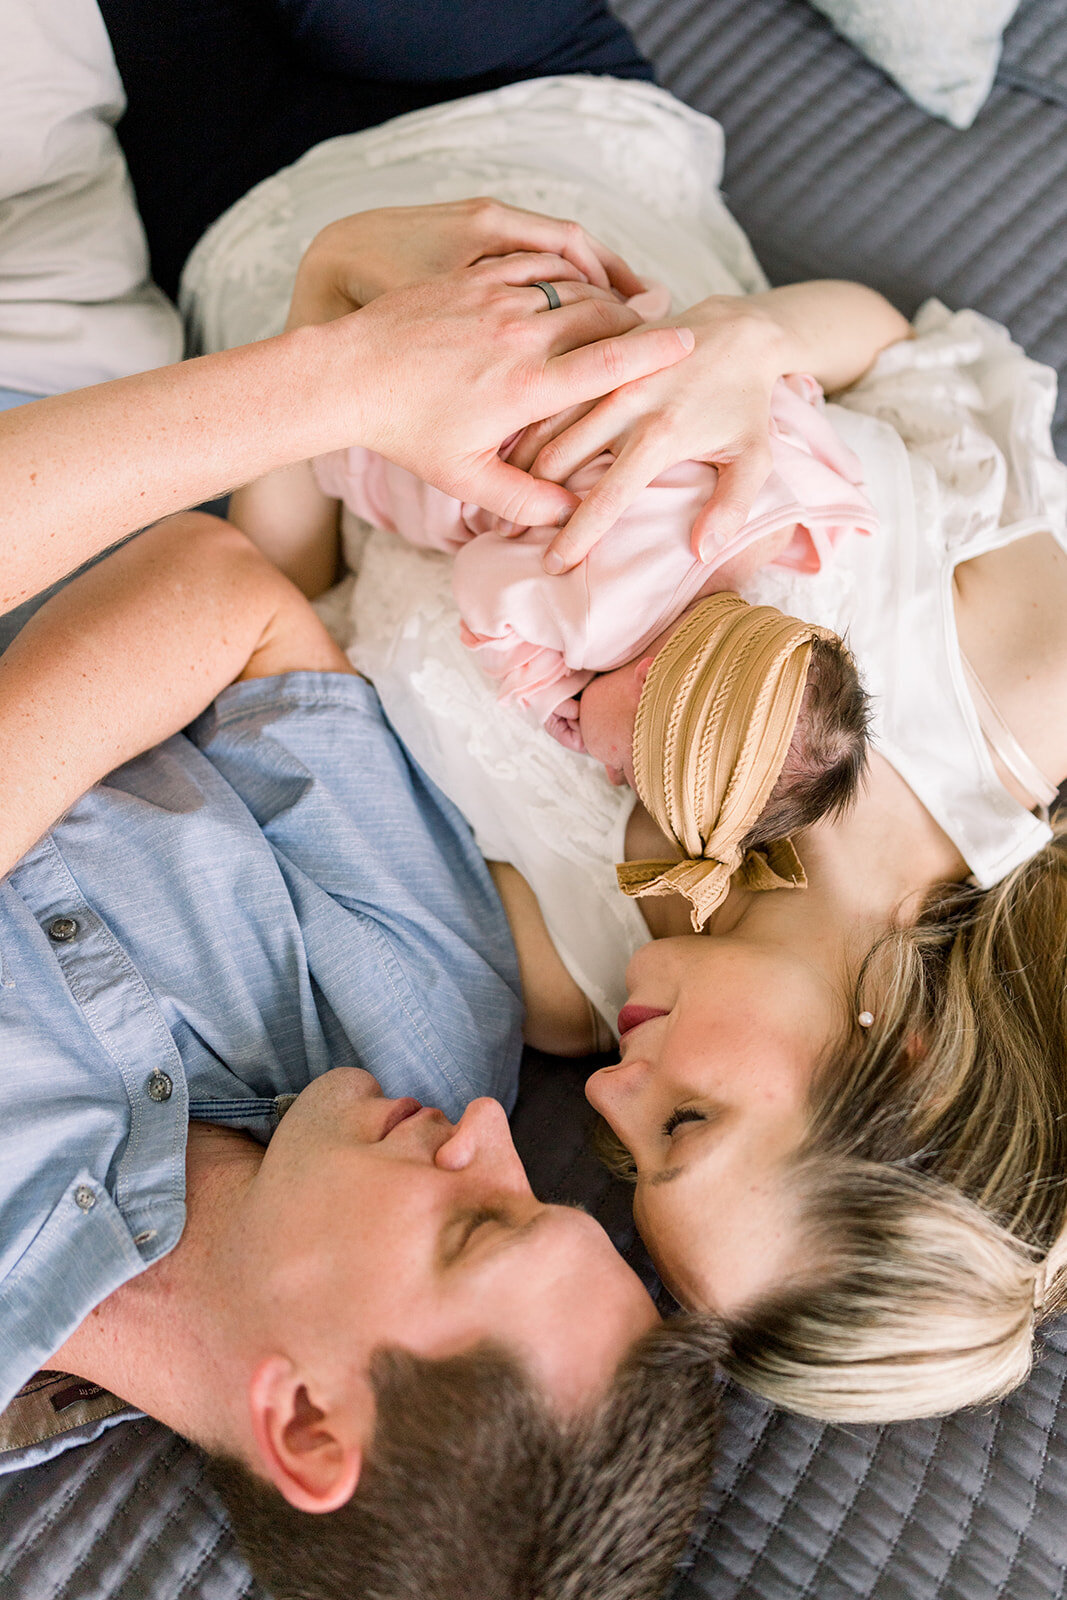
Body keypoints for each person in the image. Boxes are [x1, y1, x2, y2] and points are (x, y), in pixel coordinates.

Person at [173, 57, 1067, 1427]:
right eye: (688, 1128)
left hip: (239, 243)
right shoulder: (1016, 694)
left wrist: (316, 330)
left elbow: (296, 635)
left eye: (629, 1155)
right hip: (521, 95)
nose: (615, 1093)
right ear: (901, 1057)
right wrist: (752, 347)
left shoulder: (558, 975)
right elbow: (901, 349)